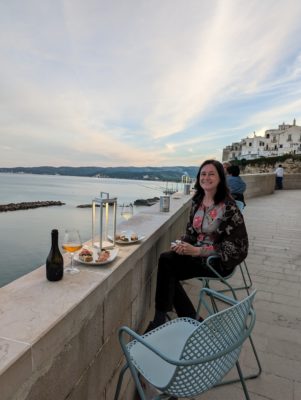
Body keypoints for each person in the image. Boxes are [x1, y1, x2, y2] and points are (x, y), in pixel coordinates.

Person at [146, 159, 248, 331]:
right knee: (167, 262)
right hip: (196, 255)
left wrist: (199, 251)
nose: (206, 177)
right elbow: (191, 233)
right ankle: (182, 319)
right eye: (203, 174)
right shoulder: (197, 201)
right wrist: (182, 244)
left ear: (220, 178)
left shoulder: (229, 208)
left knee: (168, 268)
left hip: (216, 261)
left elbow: (238, 247)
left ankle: (165, 320)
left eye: (211, 174)